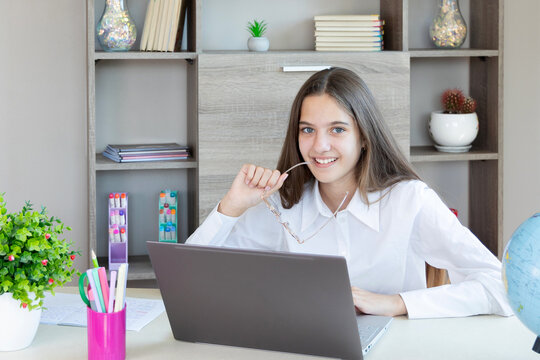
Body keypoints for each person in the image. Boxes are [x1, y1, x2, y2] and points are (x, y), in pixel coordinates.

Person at [187, 67, 512, 319]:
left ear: (364, 136)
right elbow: (189, 280)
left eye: (337, 129)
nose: (319, 146)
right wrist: (231, 207)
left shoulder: (409, 200)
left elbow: (501, 287)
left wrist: (396, 303)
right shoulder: (284, 204)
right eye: (308, 130)